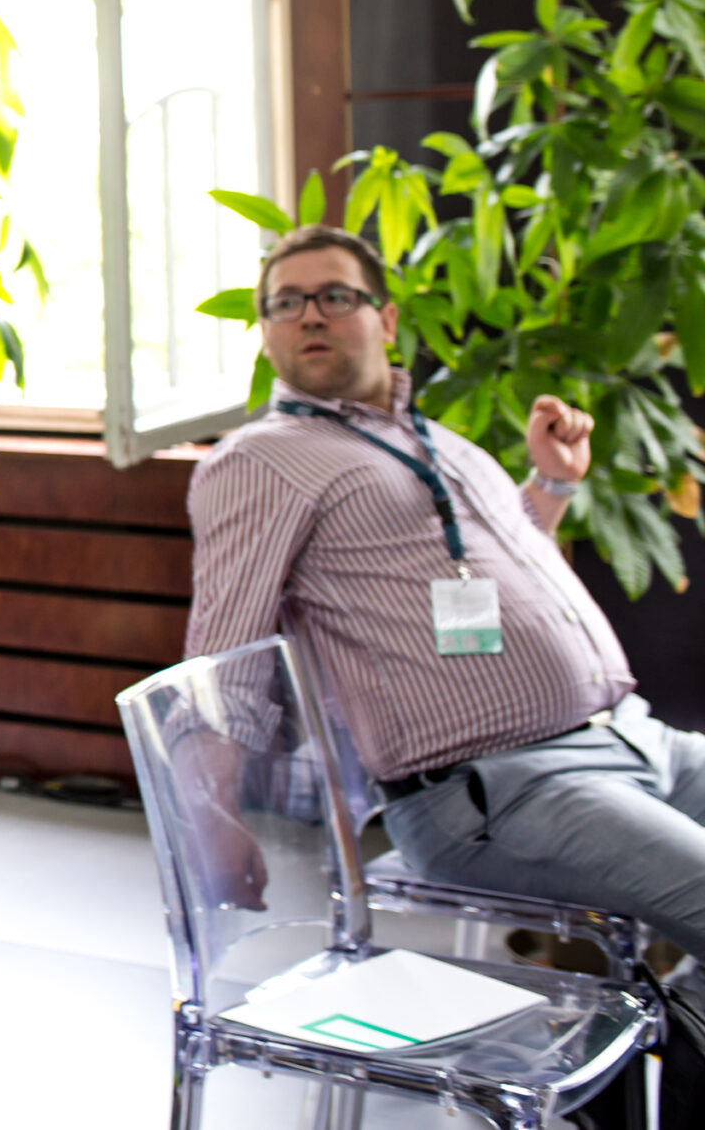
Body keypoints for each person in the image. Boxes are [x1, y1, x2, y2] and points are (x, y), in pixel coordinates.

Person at [184, 223, 705, 955]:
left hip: (632, 737)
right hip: (498, 790)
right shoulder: (261, 462)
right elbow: (223, 656)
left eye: (335, 296)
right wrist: (210, 816)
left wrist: (553, 484)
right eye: (286, 303)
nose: (309, 316)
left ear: (387, 319)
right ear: (267, 332)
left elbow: (495, 562)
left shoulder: (438, 442)